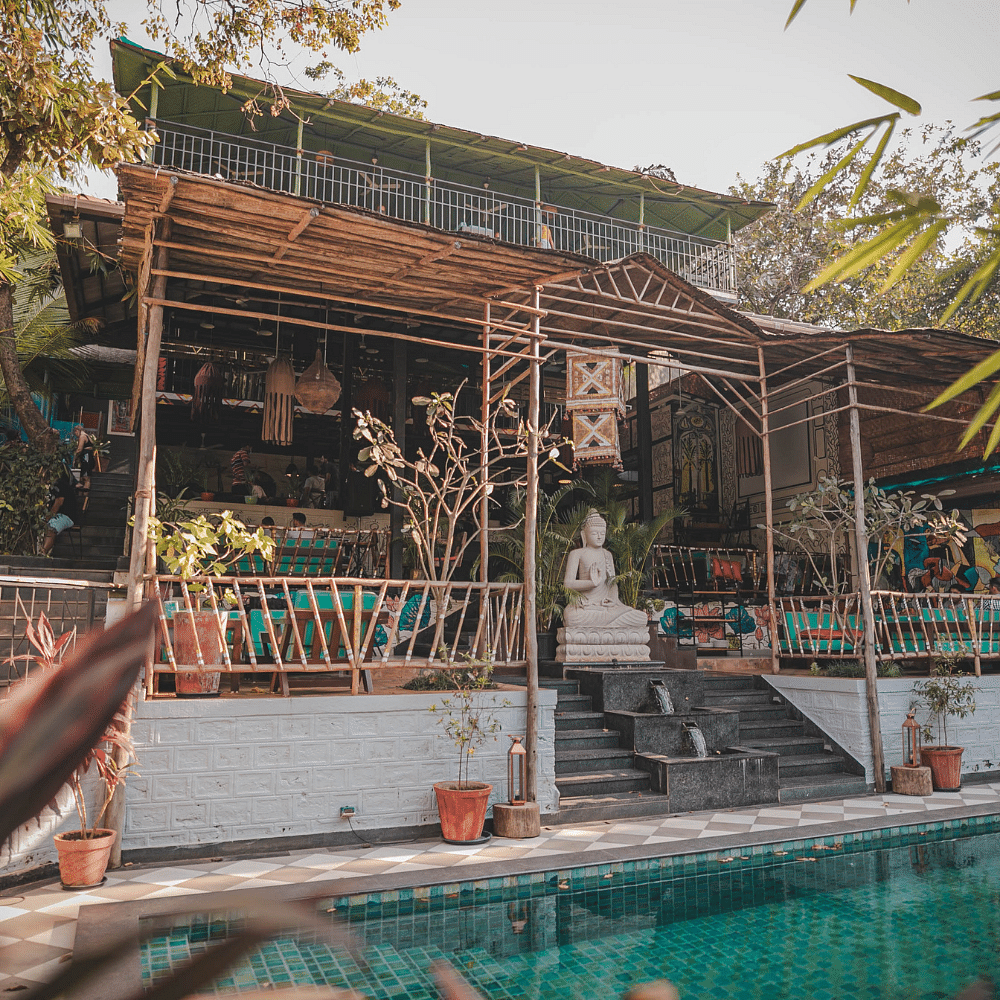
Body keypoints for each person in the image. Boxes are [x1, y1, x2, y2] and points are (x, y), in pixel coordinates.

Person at [562, 510, 648, 628]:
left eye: (602, 533)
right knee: (571, 617)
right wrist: (591, 583)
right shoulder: (577, 553)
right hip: (586, 606)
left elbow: (612, 583)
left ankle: (604, 624)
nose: (599, 536)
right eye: (594, 533)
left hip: (606, 607)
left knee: (641, 617)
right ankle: (607, 625)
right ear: (584, 535)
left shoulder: (607, 555)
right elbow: (567, 584)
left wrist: (612, 599)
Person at [42, 474, 80, 555]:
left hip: (66, 515)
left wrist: (47, 517)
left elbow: (58, 502)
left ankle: (43, 552)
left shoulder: (60, 484)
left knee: (51, 528)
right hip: (55, 514)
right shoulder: (50, 486)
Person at [73, 425, 95, 491]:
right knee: (85, 476)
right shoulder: (87, 436)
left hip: (86, 456)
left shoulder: (82, 436)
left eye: (75, 433)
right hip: (90, 455)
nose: (75, 434)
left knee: (86, 477)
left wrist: (75, 457)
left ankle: (85, 495)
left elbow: (79, 449)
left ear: (77, 431)